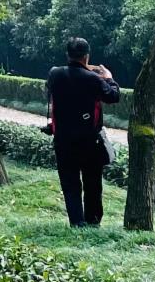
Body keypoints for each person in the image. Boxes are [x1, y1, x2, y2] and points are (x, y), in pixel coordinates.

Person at [45, 36, 120, 226]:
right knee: (92, 183)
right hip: (89, 141)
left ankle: (76, 222)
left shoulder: (55, 74)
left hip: (63, 139)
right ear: (87, 56)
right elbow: (113, 96)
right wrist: (109, 78)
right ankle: (93, 220)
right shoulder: (93, 79)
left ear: (67, 54)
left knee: (70, 183)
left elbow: (55, 86)